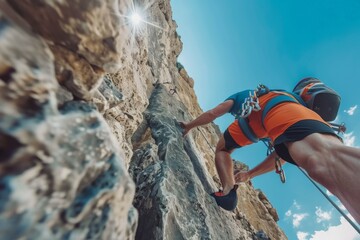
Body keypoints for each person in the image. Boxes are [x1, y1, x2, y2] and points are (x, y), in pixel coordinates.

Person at [179, 78, 360, 223]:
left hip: (260, 122)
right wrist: (249, 174)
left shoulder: (243, 96)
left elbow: (213, 113)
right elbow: (281, 156)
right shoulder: (286, 98)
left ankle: (227, 190)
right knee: (325, 155)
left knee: (223, 149)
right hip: (283, 115)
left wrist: (189, 125)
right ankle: (227, 190)